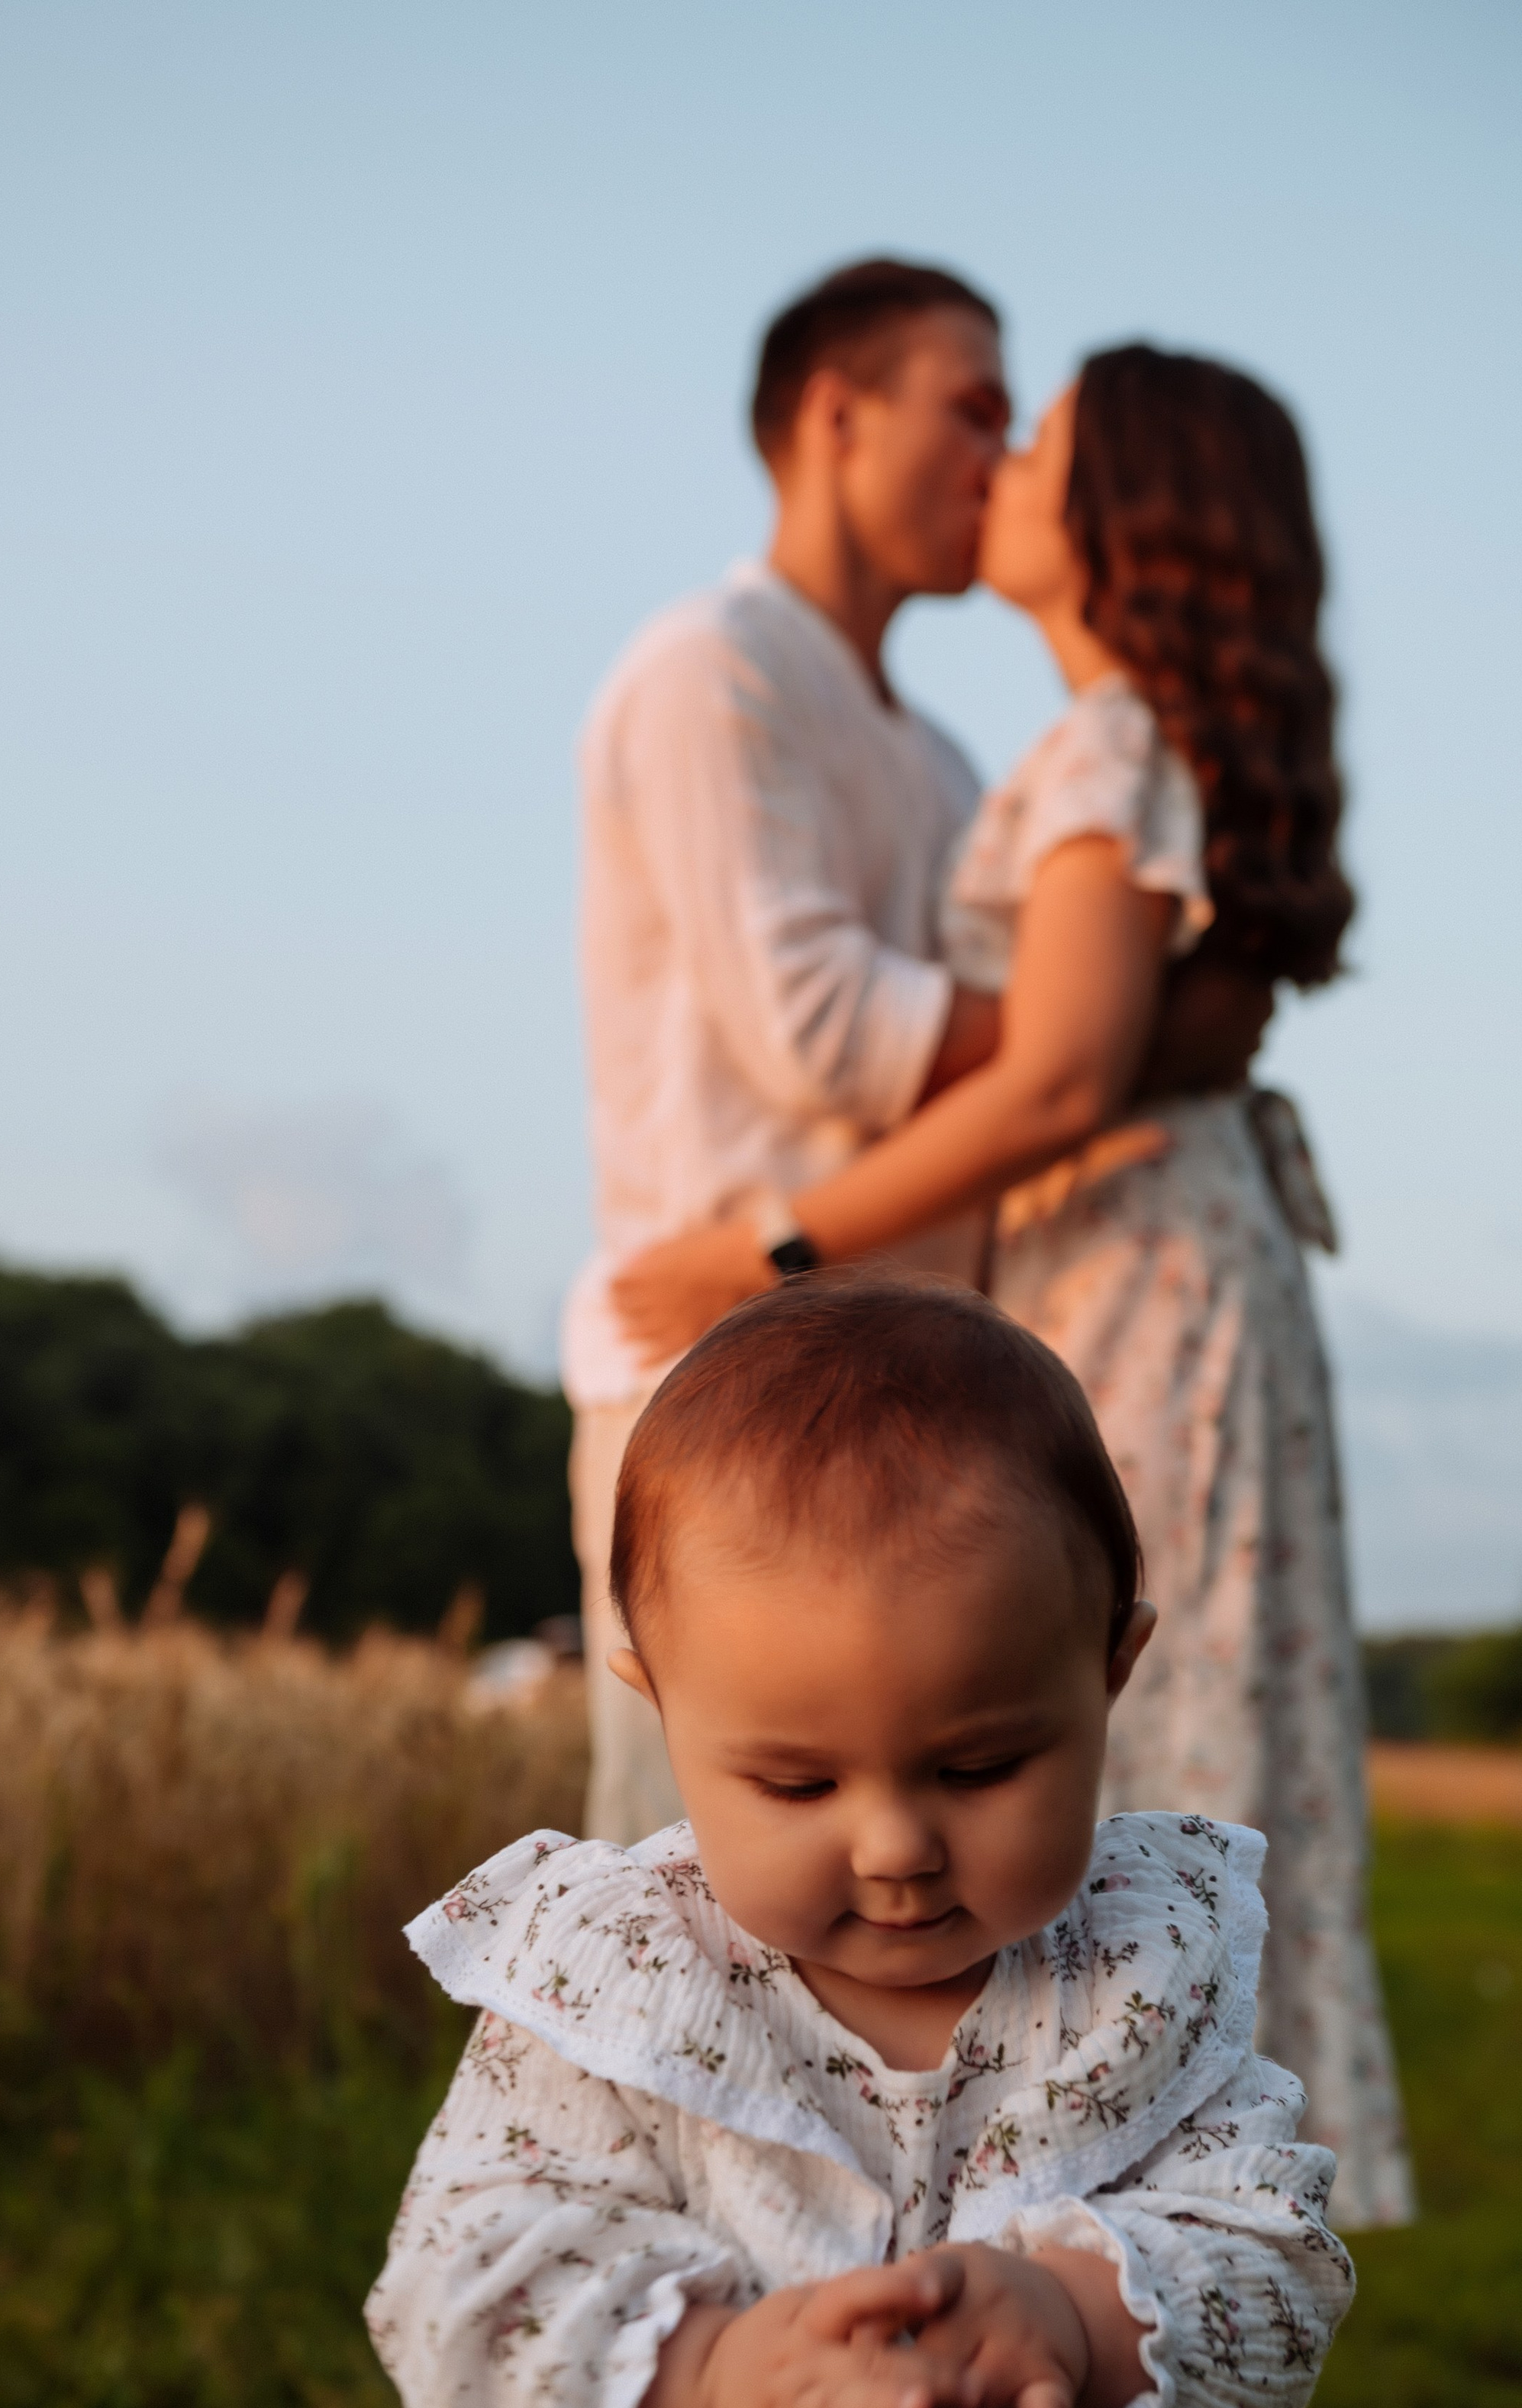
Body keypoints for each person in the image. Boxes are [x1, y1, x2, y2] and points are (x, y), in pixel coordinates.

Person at [301, 1279, 1351, 2408]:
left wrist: (1078, 2317)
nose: (891, 1844)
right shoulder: (611, 1984)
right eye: (792, 1781)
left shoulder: (1138, 1979)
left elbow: (1267, 2253)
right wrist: (706, 2383)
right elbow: (463, 2283)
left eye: (979, 1763)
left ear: (1110, 1669)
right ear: (659, 1708)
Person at [613, 346, 1412, 2241]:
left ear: (1123, 509)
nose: (1006, 462)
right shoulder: (1116, 743)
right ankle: (1163, 2261)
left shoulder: (1105, 745)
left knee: (1146, 1759)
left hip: (1134, 1276)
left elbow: (1054, 1076)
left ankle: (1176, 2277)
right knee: (1174, 1731)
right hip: (1173, 1259)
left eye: (1039, 438)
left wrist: (776, 1250)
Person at [567, 266, 1270, 1852]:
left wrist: (1080, 1040)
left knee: (907, 1916)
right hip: (720, 1348)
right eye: (967, 406)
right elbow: (808, 1017)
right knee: (692, 1887)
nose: (996, 453)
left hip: (911, 1380)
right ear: (834, 415)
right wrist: (1085, 1039)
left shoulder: (943, 754)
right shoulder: (714, 666)